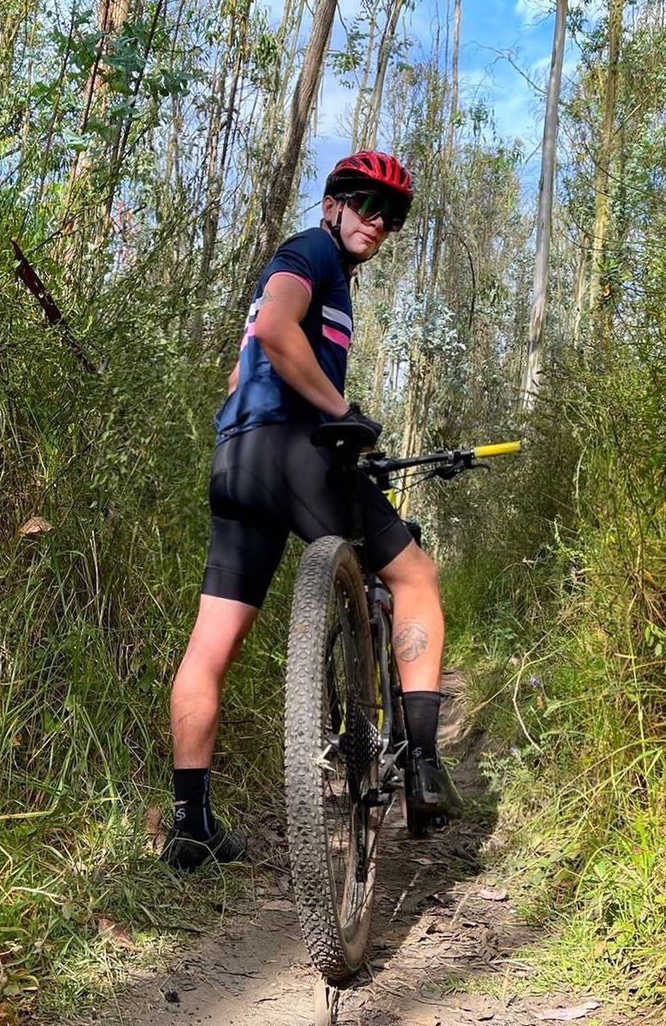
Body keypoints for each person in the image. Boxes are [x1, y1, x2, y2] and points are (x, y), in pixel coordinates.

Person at [161, 150, 462, 870]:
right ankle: (422, 761)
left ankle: (191, 824)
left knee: (210, 646)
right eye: (366, 204)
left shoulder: (316, 268)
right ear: (332, 204)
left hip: (236, 461)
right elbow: (274, 331)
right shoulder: (312, 252)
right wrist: (341, 410)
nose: (380, 223)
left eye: (393, 216)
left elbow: (243, 367)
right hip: (296, 450)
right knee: (415, 578)